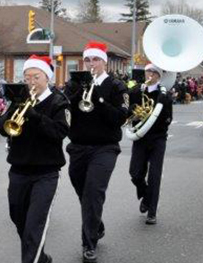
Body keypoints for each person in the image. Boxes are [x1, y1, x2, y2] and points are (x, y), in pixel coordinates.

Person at [0, 55, 69, 263]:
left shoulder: (58, 102)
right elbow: (1, 128)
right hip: (18, 171)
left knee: (34, 226)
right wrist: (13, 110)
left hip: (46, 174)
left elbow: (59, 132)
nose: (31, 82)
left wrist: (35, 117)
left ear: (47, 77)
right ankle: (41, 258)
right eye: (27, 78)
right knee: (19, 220)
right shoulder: (22, 100)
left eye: (36, 77)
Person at [63, 41, 130, 263]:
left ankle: (88, 244)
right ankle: (96, 224)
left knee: (93, 193)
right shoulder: (74, 83)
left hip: (105, 148)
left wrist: (98, 100)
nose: (91, 63)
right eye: (88, 59)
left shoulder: (116, 85)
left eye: (96, 59)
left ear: (104, 62)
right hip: (78, 147)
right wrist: (79, 92)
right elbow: (64, 108)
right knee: (83, 192)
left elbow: (120, 117)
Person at [128, 63, 173, 225]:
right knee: (135, 173)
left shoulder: (164, 95)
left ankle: (152, 212)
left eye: (154, 73)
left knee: (154, 175)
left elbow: (168, 119)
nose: (150, 75)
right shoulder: (136, 91)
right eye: (148, 72)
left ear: (159, 76)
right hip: (140, 137)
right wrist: (133, 110)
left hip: (157, 138)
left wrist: (159, 110)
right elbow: (127, 111)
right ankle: (146, 195)